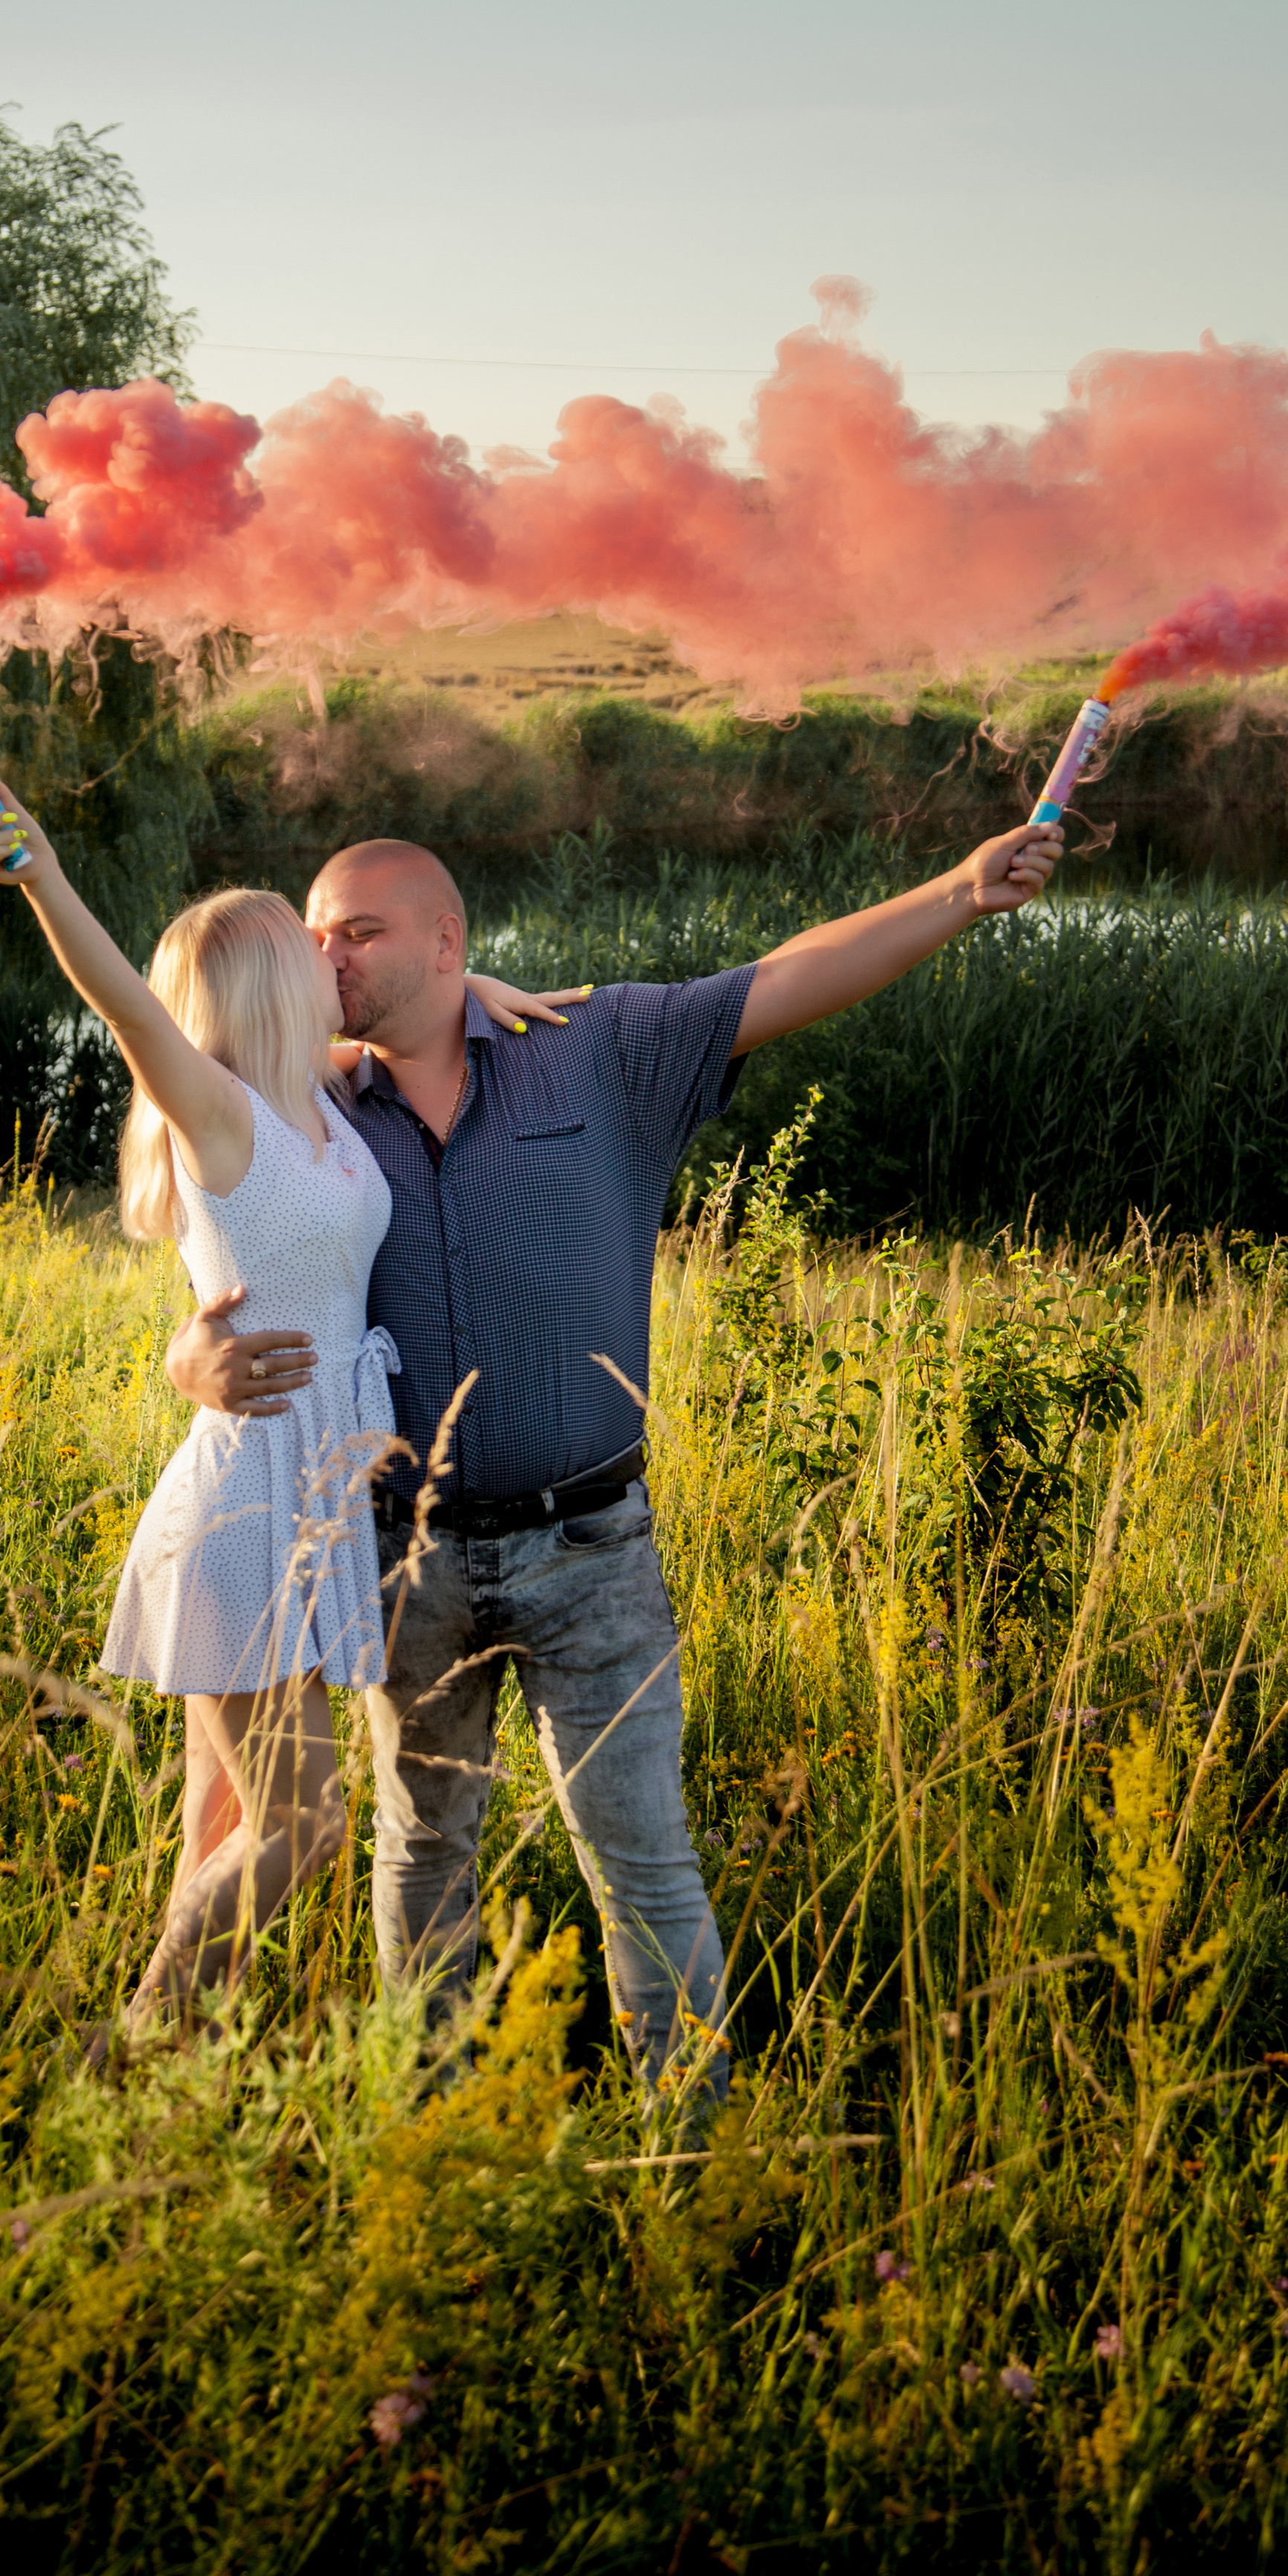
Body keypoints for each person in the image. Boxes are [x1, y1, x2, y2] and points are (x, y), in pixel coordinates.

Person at [165, 821, 1064, 2095]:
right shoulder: (311, 1106)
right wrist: (185, 1362)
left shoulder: (598, 1050)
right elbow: (224, 1241)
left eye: (358, 930)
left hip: (591, 1549)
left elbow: (787, 975)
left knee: (641, 1858)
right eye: (314, 933)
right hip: (403, 1553)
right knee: (423, 1855)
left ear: (447, 940)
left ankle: (688, 2137)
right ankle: (433, 2126)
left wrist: (961, 894)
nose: (328, 955)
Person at [0, 774, 568, 2038]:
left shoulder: (320, 1102)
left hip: (314, 1502)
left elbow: (392, 1038)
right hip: (246, 1507)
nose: (327, 955)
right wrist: (45, 876)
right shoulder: (222, 1115)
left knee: (223, 1824)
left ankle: (184, 2082)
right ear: (264, 985)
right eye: (307, 943)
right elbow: (123, 1003)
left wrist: (474, 997)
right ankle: (133, 2039)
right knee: (306, 1824)